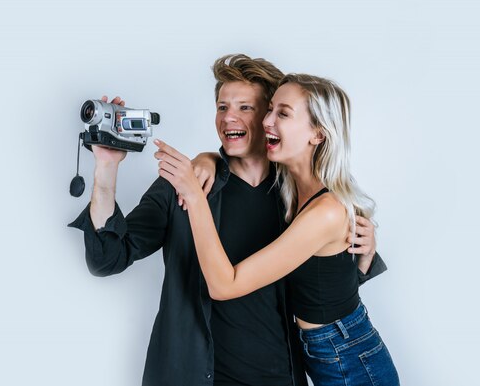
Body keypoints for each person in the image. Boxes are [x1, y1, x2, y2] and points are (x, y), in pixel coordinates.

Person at [68, 55, 386, 386]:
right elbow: (106, 258)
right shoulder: (184, 186)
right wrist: (106, 168)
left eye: (245, 108)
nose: (228, 117)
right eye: (222, 107)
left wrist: (364, 254)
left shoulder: (295, 195)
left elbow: (322, 288)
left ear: (269, 117)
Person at [154, 73, 400, 386]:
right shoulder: (285, 187)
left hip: (350, 359)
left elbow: (224, 285)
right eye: (269, 109)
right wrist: (209, 158)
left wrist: (194, 195)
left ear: (317, 135)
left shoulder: (324, 212)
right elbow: (323, 277)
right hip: (320, 354)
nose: (266, 121)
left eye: (282, 114)